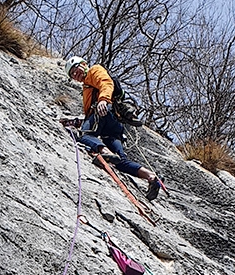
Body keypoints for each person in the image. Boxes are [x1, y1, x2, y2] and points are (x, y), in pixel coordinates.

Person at [63, 56, 164, 202]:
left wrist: (103, 100)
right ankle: (151, 177)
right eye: (72, 74)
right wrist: (77, 121)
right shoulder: (87, 86)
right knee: (120, 162)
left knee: (84, 136)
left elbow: (106, 83)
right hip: (113, 125)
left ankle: (104, 151)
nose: (75, 74)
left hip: (104, 113)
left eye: (75, 69)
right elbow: (90, 118)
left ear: (84, 64)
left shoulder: (94, 71)